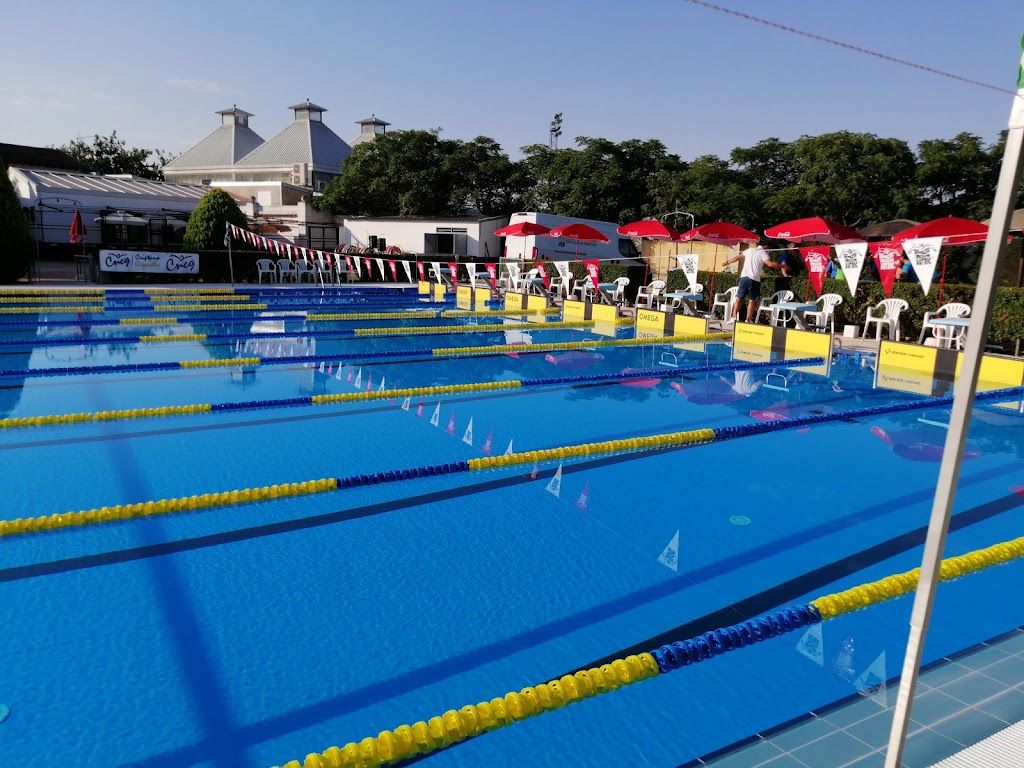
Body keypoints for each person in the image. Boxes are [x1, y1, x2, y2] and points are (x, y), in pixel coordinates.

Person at [722, 243, 784, 323]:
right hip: (754, 279)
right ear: (766, 247)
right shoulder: (763, 253)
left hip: (744, 278)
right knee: (752, 300)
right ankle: (747, 320)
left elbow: (737, 258)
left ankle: (733, 317)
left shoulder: (749, 250)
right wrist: (783, 266)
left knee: (739, 298)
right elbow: (770, 264)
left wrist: (727, 262)